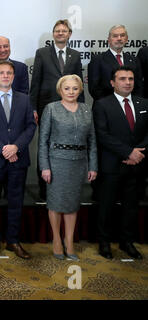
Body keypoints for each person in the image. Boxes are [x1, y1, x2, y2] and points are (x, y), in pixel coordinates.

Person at [0, 61, 36, 260]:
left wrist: (16, 147)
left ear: (14, 76)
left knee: (16, 203)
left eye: (9, 73)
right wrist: (3, 150)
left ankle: (13, 241)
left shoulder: (25, 100)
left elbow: (30, 127)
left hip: (18, 161)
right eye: (1, 73)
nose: (5, 76)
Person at [38, 75, 97, 261]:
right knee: (55, 204)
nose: (71, 92)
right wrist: (44, 166)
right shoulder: (51, 109)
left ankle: (69, 241)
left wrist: (93, 166)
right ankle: (56, 239)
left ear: (80, 90)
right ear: (60, 90)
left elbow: (93, 141)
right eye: (67, 88)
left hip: (79, 163)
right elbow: (43, 141)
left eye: (75, 88)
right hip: (56, 163)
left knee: (72, 205)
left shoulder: (87, 110)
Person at [93, 66, 148, 260]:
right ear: (112, 83)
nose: (127, 82)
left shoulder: (144, 103)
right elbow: (102, 134)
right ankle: (104, 243)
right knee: (106, 206)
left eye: (131, 79)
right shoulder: (102, 104)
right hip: (112, 165)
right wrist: (127, 152)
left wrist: (138, 153)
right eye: (123, 78)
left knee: (130, 207)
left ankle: (127, 242)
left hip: (137, 165)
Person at [30, 19, 84, 200]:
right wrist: (33, 108)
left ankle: (65, 186)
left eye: (64, 31)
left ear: (69, 34)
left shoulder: (75, 55)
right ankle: (44, 190)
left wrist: (82, 109)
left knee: (66, 146)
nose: (60, 33)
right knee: (45, 145)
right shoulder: (42, 53)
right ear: (53, 34)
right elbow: (35, 82)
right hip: (46, 107)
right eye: (57, 30)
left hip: (70, 108)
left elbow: (79, 84)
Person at [88, 25, 143, 101]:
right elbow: (94, 89)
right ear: (109, 40)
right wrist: (115, 104)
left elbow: (139, 86)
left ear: (126, 39)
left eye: (122, 35)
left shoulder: (134, 60)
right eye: (115, 36)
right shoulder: (97, 60)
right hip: (106, 106)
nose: (119, 38)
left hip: (130, 105)